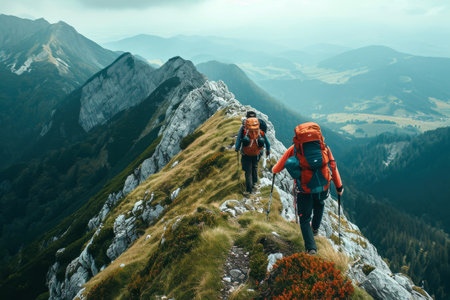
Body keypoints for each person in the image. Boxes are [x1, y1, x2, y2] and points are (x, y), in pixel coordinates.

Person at [272, 122, 343, 255]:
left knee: (304, 219)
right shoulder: (325, 148)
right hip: (323, 187)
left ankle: (311, 248)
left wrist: (274, 171)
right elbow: (333, 165)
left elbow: (281, 163)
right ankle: (315, 229)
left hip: (304, 189)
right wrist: (339, 186)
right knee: (320, 204)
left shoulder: (295, 149)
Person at [235, 112, 271, 195]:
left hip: (246, 153)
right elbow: (267, 143)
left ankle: (249, 190)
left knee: (247, 171)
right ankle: (254, 183)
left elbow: (239, 139)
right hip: (257, 153)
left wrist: (237, 148)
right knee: (254, 167)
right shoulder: (259, 129)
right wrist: (268, 151)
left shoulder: (244, 128)